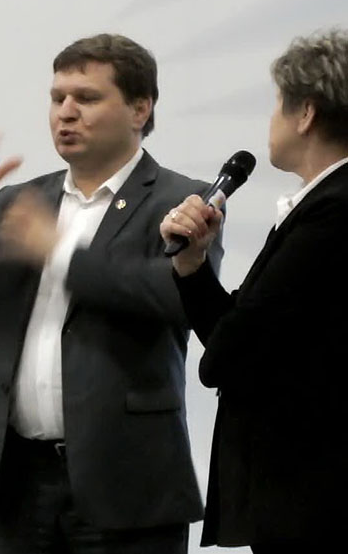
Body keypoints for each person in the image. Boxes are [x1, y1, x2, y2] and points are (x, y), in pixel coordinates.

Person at [0, 33, 223, 553]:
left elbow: (174, 297)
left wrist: (58, 253)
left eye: (87, 98)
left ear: (140, 109)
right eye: (57, 98)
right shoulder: (20, 202)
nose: (66, 112)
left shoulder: (184, 200)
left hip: (129, 487)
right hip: (22, 483)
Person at [161, 28, 348, 552]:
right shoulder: (318, 208)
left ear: (305, 113)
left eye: (277, 104)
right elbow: (239, 335)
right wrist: (193, 264)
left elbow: (231, 353)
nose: (270, 121)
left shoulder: (332, 213)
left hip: (315, 499)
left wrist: (224, 349)